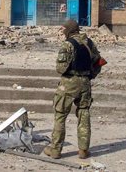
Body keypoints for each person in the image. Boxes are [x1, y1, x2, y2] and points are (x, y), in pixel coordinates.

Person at [43, 19, 102, 160]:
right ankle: (83, 150)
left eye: (64, 29)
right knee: (84, 115)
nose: (62, 32)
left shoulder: (67, 45)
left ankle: (56, 150)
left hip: (69, 83)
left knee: (60, 116)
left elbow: (60, 68)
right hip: (85, 83)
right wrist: (90, 75)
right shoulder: (90, 43)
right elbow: (99, 61)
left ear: (69, 30)